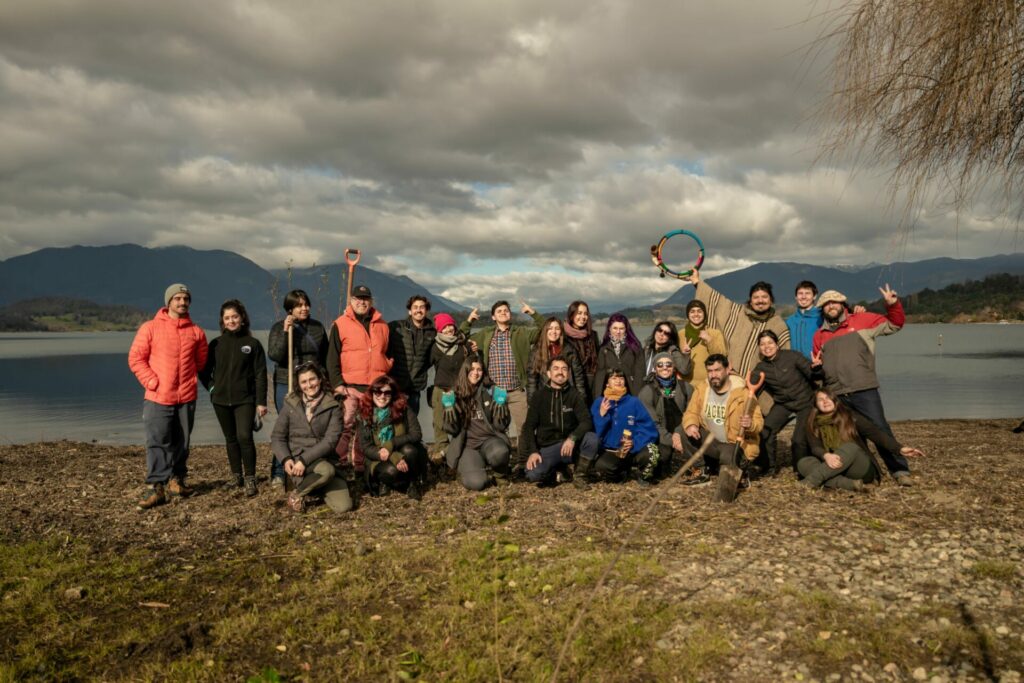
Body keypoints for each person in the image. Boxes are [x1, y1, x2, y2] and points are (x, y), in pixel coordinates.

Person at [811, 286, 911, 484]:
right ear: (822, 309)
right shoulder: (819, 335)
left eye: (835, 302)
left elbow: (895, 324)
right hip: (836, 393)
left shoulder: (863, 321)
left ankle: (899, 470)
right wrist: (816, 369)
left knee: (879, 428)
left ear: (842, 304)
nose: (831, 306)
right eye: (826, 304)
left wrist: (892, 305)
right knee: (850, 434)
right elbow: (818, 367)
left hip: (863, 388)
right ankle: (868, 471)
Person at [128, 283, 208, 510]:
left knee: (182, 442)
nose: (182, 302)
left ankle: (177, 480)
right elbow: (136, 359)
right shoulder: (150, 328)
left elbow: (201, 362)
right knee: (158, 442)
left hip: (187, 397)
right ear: (168, 302)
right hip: (158, 397)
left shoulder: (197, 332)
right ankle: (156, 487)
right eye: (177, 298)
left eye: (185, 299)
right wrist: (153, 382)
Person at [199, 300, 269, 497]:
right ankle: (236, 476)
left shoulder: (252, 345)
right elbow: (204, 371)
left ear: (242, 319)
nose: (231, 321)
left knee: (244, 437)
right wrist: (212, 389)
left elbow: (260, 375)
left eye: (235, 317)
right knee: (230, 439)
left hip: (245, 400)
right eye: (227, 318)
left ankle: (250, 478)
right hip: (220, 400)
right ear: (222, 321)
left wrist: (261, 402)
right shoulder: (216, 344)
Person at [800, 389, 924, 491]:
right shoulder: (813, 422)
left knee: (850, 447)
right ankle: (848, 484)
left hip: (859, 467)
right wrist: (826, 455)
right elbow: (815, 446)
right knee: (804, 462)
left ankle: (810, 482)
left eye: (828, 398)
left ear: (835, 401)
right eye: (820, 399)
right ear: (816, 404)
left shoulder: (850, 416)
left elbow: (876, 434)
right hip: (832, 465)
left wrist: (899, 448)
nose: (825, 402)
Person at [267, 289, 329, 491]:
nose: (304, 308)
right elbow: (275, 355)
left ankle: (309, 464)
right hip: (287, 381)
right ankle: (278, 471)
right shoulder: (278, 328)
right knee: (286, 426)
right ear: (290, 309)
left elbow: (326, 356)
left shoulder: (317, 327)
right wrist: (286, 332)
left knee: (311, 425)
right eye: (298, 305)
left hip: (312, 382)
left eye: (305, 304)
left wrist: (327, 381)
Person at [326, 285, 392, 473]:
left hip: (374, 387)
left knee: (368, 427)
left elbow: (388, 353)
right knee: (345, 425)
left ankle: (360, 466)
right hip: (349, 386)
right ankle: (338, 463)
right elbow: (332, 357)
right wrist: (338, 384)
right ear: (351, 301)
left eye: (365, 298)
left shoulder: (382, 325)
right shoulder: (340, 324)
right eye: (358, 298)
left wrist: (386, 367)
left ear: (371, 301)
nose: (362, 302)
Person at [271, 362, 351, 514]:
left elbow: (330, 441)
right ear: (299, 385)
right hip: (297, 463)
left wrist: (304, 460)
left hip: (324, 459)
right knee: (326, 471)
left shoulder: (333, 406)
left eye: (312, 379)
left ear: (320, 379)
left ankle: (309, 489)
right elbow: (277, 437)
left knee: (344, 507)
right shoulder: (290, 403)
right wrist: (286, 459)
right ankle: (299, 494)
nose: (309, 385)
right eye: (304, 382)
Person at [460, 299, 544, 442]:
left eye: (506, 310)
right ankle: (503, 460)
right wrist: (469, 321)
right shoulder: (486, 334)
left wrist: (533, 313)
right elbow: (460, 337)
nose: (503, 313)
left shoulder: (522, 332)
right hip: (494, 391)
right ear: (493, 317)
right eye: (499, 311)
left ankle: (523, 460)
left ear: (510, 315)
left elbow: (546, 330)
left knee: (524, 430)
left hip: (518, 391)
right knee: (497, 430)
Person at [686, 270, 790, 378]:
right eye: (756, 297)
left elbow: (784, 358)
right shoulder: (738, 313)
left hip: (762, 381)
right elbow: (716, 301)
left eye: (764, 297)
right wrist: (696, 281)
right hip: (730, 377)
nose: (760, 300)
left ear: (771, 300)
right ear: (750, 301)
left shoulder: (778, 324)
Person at [680, 354, 764, 486]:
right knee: (683, 430)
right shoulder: (702, 389)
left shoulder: (744, 394)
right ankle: (701, 471)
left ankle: (742, 473)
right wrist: (691, 424)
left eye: (717, 370)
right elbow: (691, 412)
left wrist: (750, 425)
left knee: (728, 456)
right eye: (710, 371)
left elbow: (759, 424)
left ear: (727, 369)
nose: (713, 375)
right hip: (712, 442)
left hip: (734, 445)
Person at [519, 356, 599, 488]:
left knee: (592, 439)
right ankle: (557, 470)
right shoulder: (539, 396)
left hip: (571, 447)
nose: (560, 372)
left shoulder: (575, 395)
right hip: (549, 447)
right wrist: (533, 451)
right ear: (549, 373)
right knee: (533, 475)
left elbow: (586, 421)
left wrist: (572, 438)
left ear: (568, 373)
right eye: (556, 369)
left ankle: (580, 476)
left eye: (564, 369)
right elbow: (528, 427)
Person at [442, 357, 512, 491]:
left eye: (479, 369)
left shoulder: (491, 391)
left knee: (500, 452)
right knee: (477, 483)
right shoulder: (454, 394)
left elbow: (500, 427)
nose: (476, 373)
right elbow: (453, 431)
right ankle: (470, 468)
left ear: (483, 372)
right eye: (472, 369)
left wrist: (502, 411)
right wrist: (448, 414)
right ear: (465, 370)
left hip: (489, 440)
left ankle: (500, 475)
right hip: (468, 446)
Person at [752, 330, 814, 476]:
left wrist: (816, 369)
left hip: (805, 401)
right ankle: (769, 467)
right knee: (765, 431)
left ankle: (801, 470)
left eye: (770, 343)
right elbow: (750, 386)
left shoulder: (792, 356)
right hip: (783, 403)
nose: (767, 347)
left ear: (777, 344)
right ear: (759, 348)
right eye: (762, 344)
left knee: (798, 439)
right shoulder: (761, 367)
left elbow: (812, 373)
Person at [357, 375, 427, 501]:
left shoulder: (403, 408)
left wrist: (391, 443)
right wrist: (394, 457)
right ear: (372, 393)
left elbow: (416, 434)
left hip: (402, 450)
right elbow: (365, 447)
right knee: (391, 471)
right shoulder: (364, 413)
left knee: (410, 450)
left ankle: (412, 482)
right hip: (377, 457)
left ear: (393, 394)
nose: (382, 397)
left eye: (387, 393)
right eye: (378, 392)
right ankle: (386, 482)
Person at [591, 370, 662, 485]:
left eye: (621, 378)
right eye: (614, 378)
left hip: (634, 449)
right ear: (607, 383)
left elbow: (648, 429)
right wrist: (602, 416)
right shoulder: (599, 402)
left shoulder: (634, 402)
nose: (618, 381)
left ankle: (643, 476)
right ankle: (622, 474)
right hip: (612, 451)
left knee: (652, 452)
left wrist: (634, 442)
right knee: (602, 467)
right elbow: (595, 434)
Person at [638, 352, 693, 478]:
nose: (664, 367)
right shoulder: (647, 392)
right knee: (663, 457)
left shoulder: (687, 388)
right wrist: (672, 441)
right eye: (660, 365)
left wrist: (679, 434)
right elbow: (652, 424)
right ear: (655, 368)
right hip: (660, 435)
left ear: (674, 367)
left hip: (683, 430)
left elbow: (692, 414)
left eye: (669, 364)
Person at [429, 312, 473, 462]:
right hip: (441, 390)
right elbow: (423, 365)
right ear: (439, 330)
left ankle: (456, 455)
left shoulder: (463, 345)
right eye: (444, 327)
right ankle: (440, 455)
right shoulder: (434, 347)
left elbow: (474, 362)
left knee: (460, 422)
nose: (449, 329)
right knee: (440, 424)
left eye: (450, 325)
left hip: (460, 391)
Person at [388, 295, 436, 415]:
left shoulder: (432, 333)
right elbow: (377, 333)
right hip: (396, 387)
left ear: (427, 310)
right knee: (394, 424)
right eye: (415, 307)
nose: (418, 310)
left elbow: (435, 355)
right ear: (409, 311)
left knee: (412, 425)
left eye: (422, 307)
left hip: (415, 388)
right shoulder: (396, 327)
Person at [526, 317, 587, 402]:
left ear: (561, 331)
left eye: (557, 329)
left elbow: (578, 377)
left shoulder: (569, 350)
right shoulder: (537, 351)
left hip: (567, 395)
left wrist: (581, 400)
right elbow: (532, 380)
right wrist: (532, 403)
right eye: (550, 328)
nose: (554, 332)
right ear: (545, 331)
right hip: (545, 396)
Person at [592, 313, 646, 397]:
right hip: (610, 393)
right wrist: (597, 397)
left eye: (621, 328)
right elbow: (600, 375)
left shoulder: (635, 347)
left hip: (631, 392)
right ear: (609, 329)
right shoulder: (604, 349)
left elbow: (640, 373)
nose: (618, 332)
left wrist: (636, 395)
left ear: (626, 329)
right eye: (615, 328)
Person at [677, 300, 727, 387]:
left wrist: (709, 340)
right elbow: (675, 358)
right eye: (692, 311)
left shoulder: (714, 333)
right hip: (685, 384)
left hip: (708, 384)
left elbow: (722, 356)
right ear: (688, 315)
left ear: (704, 314)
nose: (696, 314)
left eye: (699, 311)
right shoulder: (681, 334)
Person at [563, 300, 600, 403]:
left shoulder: (592, 335)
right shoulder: (563, 336)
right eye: (579, 313)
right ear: (571, 314)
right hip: (573, 383)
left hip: (592, 384)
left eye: (585, 313)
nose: (583, 317)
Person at [786, 280, 822, 360]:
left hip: (816, 364)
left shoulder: (822, 318)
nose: (803, 297)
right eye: (800, 293)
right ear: (796, 297)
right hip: (794, 367)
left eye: (808, 293)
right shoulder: (789, 321)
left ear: (815, 296)